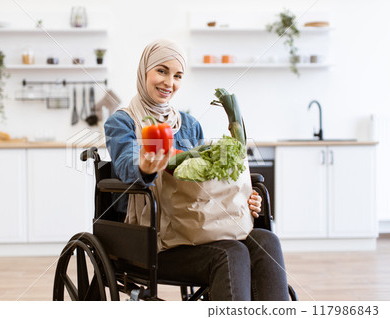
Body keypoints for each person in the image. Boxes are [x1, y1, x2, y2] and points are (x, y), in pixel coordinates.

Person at [104, 39, 289, 301]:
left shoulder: (189, 125)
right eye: (162, 71)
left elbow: (207, 182)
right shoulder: (122, 122)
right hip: (156, 241)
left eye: (178, 75)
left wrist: (242, 196)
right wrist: (145, 167)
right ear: (144, 70)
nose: (169, 82)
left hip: (199, 230)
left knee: (265, 241)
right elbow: (125, 164)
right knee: (232, 253)